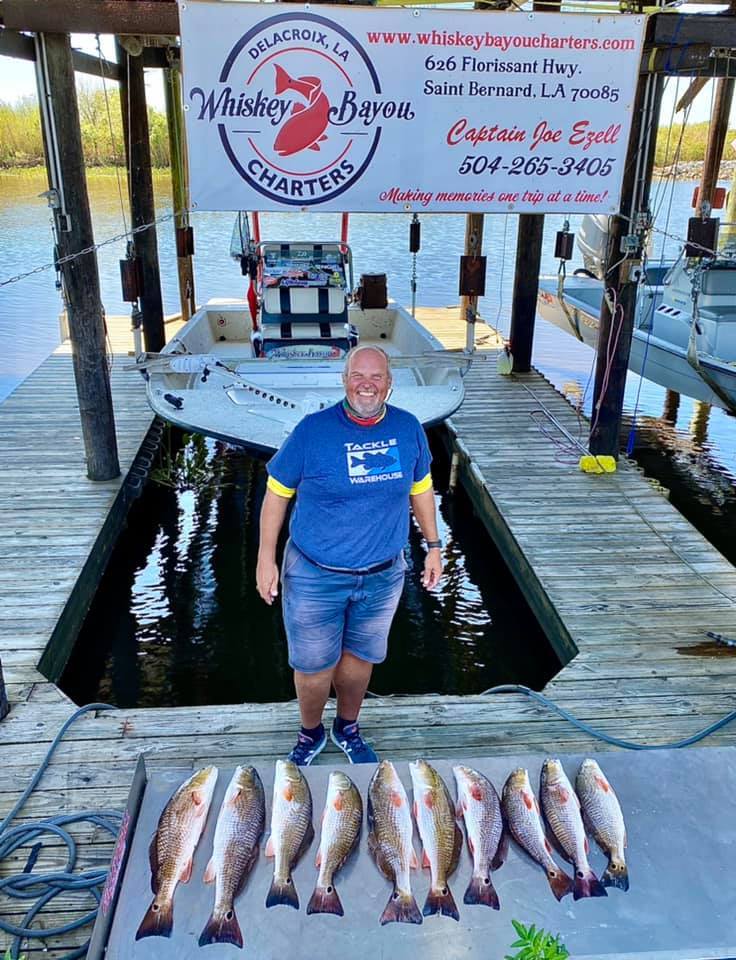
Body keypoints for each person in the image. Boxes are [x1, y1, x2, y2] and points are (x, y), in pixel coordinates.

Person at [256, 344, 443, 765]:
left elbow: (421, 489)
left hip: (382, 574)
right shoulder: (313, 431)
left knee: (360, 660)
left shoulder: (408, 428)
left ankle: (348, 727)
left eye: (377, 377)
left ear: (389, 384)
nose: (366, 385)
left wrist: (433, 546)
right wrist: (266, 558)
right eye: (358, 375)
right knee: (313, 666)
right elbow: (276, 494)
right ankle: (310, 733)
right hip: (315, 573)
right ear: (344, 381)